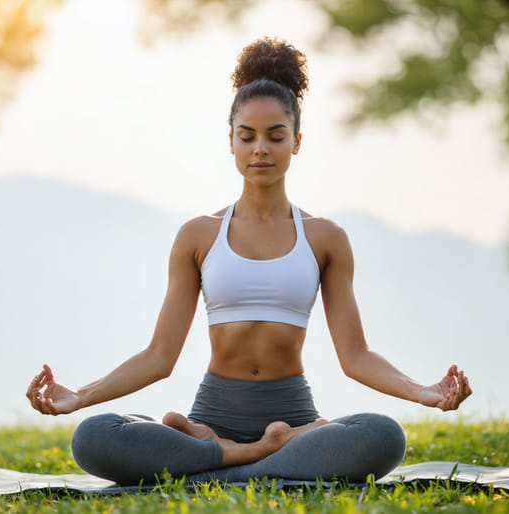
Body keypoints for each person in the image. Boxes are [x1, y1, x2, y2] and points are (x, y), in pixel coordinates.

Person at [26, 37, 472, 485]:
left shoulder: (325, 239)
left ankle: (223, 460)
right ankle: (255, 455)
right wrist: (78, 397)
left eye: (276, 136)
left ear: (296, 142)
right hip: (212, 419)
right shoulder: (198, 235)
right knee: (94, 436)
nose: (261, 148)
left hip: (294, 417)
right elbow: (160, 355)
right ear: (231, 142)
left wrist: (423, 392)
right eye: (248, 136)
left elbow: (355, 355)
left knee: (383, 436)